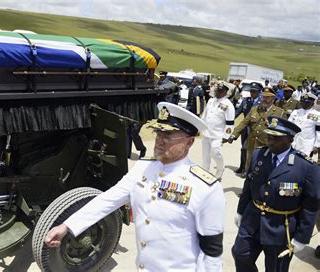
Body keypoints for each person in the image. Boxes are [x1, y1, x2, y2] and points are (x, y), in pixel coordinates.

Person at [45, 102, 225, 271]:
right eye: (158, 133)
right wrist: (68, 226)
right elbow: (108, 200)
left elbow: (212, 251)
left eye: (168, 136)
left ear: (189, 142)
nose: (160, 141)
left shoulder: (205, 188)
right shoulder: (143, 168)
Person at [232, 116, 319, 272]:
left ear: (290, 139)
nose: (270, 142)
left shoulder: (306, 167)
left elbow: (311, 205)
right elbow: (248, 186)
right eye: (269, 137)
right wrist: (240, 211)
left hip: (280, 228)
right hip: (252, 220)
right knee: (240, 254)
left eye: (277, 139)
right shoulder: (259, 155)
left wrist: (302, 237)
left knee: (276, 268)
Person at [227, 87, 284, 174]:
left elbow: (282, 131)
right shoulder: (255, 109)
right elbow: (244, 123)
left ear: (273, 99)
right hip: (252, 144)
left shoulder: (279, 113)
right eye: (263, 97)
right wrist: (233, 135)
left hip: (267, 146)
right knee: (249, 169)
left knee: (262, 171)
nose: (264, 99)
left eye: (267, 97)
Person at [201, 82, 235, 180]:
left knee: (215, 153)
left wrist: (226, 136)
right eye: (216, 90)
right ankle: (204, 173)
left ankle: (220, 169)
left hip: (218, 135)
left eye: (220, 90)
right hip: (206, 133)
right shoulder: (211, 101)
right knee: (205, 156)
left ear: (225, 92)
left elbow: (230, 123)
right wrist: (200, 126)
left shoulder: (228, 104)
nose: (217, 92)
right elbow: (205, 115)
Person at [233, 83, 263, 174]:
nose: (252, 93)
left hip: (254, 128)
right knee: (243, 148)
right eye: (251, 91)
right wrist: (229, 119)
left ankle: (248, 170)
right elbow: (238, 111)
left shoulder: (261, 103)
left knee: (247, 149)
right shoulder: (246, 100)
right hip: (245, 128)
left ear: (259, 92)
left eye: (254, 91)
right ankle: (242, 167)